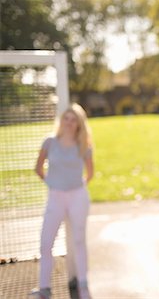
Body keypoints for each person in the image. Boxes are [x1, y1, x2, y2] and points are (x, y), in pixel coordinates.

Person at [29, 103, 94, 299]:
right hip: (55, 197)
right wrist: (51, 182)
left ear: (79, 124)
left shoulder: (84, 145)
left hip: (78, 197)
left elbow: (90, 174)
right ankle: (44, 289)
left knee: (79, 241)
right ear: (61, 120)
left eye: (74, 119)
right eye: (66, 118)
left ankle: (83, 285)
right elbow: (38, 168)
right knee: (46, 243)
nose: (69, 122)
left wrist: (77, 186)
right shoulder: (49, 142)